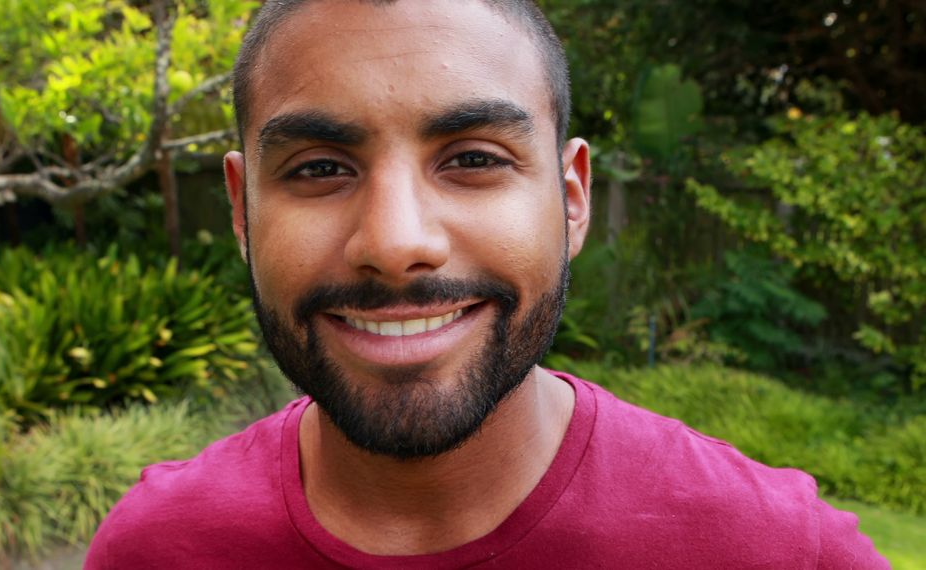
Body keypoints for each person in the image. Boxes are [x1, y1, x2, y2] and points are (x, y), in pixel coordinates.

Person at [85, 1, 888, 567]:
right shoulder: (157, 550)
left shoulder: (771, 549)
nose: (397, 244)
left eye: (473, 159)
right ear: (242, 209)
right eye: (320, 169)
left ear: (571, 199)